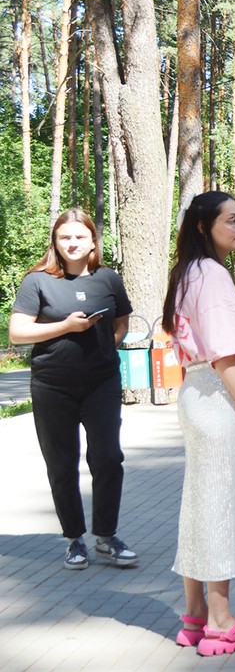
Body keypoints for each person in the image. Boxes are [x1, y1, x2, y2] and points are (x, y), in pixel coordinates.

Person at [163, 191, 235, 655]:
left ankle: (194, 617)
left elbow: (211, 337)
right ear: (202, 226)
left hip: (198, 394)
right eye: (230, 220)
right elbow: (223, 355)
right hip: (215, 398)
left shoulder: (190, 271)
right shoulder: (211, 274)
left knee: (200, 506)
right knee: (221, 508)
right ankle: (220, 620)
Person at [10, 209, 137, 571]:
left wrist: (106, 346)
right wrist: (65, 327)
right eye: (65, 237)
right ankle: (74, 540)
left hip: (102, 383)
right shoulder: (37, 281)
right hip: (53, 385)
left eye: (80, 236)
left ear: (93, 241)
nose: (72, 243)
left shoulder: (108, 279)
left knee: (108, 458)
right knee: (62, 464)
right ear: (56, 241)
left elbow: (121, 321)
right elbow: (18, 332)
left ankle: (106, 536)